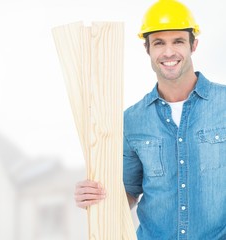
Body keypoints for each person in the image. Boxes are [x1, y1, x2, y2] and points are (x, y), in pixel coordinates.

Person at [74, 0, 226, 239]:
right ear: (147, 49)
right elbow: (128, 194)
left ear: (193, 45)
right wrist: (96, 198)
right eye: (158, 43)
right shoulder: (132, 120)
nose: (168, 52)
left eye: (177, 41)